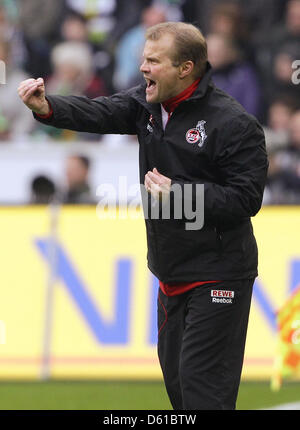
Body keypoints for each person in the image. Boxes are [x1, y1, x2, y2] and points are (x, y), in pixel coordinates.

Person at [18, 22, 268, 410]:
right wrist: (48, 107)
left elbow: (245, 199)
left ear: (185, 68)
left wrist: (180, 194)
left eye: (153, 61)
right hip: (170, 273)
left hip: (220, 275)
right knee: (181, 393)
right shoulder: (147, 105)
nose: (143, 69)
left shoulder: (234, 124)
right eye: (142, 60)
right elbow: (101, 111)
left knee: (203, 395)